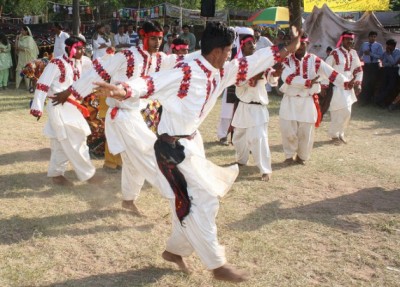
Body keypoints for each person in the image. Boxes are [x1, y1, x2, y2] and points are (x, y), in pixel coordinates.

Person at [90, 22, 302, 282]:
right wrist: (123, 90)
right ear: (216, 52)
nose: (230, 56)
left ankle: (175, 250)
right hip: (172, 150)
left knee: (189, 202)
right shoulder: (186, 72)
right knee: (204, 199)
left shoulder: (221, 71)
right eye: (228, 51)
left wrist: (287, 48)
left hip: (193, 144)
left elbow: (253, 62)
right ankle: (217, 265)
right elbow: (150, 82)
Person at [55, 21, 199, 215]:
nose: (157, 42)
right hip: (121, 116)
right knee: (152, 154)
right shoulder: (125, 56)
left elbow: (186, 59)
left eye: (160, 38)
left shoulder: (161, 59)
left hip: (134, 116)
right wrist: (71, 92)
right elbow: (96, 73)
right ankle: (177, 197)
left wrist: (210, 52)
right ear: (143, 36)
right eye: (153, 38)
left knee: (133, 162)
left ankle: (129, 200)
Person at [30, 36, 103, 186]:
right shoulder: (56, 63)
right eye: (78, 48)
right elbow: (43, 84)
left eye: (83, 48)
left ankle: (56, 174)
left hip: (73, 105)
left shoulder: (84, 62)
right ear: (69, 48)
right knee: (76, 137)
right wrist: (37, 107)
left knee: (60, 141)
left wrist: (109, 55)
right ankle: (88, 174)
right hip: (58, 105)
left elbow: (97, 71)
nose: (81, 51)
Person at [280, 34, 354, 165]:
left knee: (306, 130)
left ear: (307, 44)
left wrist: (346, 83)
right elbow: (287, 78)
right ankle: (289, 156)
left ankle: (302, 157)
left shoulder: (315, 60)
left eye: (303, 43)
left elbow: (331, 73)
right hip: (290, 99)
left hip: (307, 100)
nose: (300, 46)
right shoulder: (287, 60)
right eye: (298, 43)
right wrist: (308, 81)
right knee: (288, 129)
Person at [231, 27, 281, 181]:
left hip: (258, 107)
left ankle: (265, 170)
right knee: (238, 137)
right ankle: (241, 160)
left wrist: (276, 74)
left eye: (253, 43)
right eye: (249, 44)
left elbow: (271, 79)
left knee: (258, 138)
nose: (253, 46)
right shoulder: (238, 64)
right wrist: (256, 75)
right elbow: (240, 83)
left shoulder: (261, 63)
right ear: (243, 47)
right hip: (244, 106)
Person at [322, 31, 363, 145]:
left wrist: (358, 84)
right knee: (337, 111)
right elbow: (326, 69)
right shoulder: (335, 53)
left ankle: (341, 133)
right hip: (337, 87)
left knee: (347, 112)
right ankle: (334, 135)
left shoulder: (354, 53)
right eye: (347, 39)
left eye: (351, 39)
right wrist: (324, 86)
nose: (349, 41)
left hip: (349, 88)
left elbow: (358, 70)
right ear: (342, 40)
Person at [358, 31, 383, 105]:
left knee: (373, 83)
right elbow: (360, 54)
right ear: (368, 37)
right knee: (365, 82)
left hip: (375, 65)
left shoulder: (378, 45)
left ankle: (370, 100)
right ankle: (363, 100)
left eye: (374, 36)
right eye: (371, 36)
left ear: (376, 37)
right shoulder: (364, 44)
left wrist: (370, 54)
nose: (373, 38)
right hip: (367, 65)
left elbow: (381, 56)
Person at [375, 39, 400, 108]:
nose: (387, 47)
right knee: (383, 86)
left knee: (391, 87)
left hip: (394, 70)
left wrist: (389, 54)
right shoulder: (385, 52)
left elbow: (393, 63)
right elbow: (383, 61)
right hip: (386, 70)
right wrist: (388, 61)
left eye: (389, 46)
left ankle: (380, 100)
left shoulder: (398, 52)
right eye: (387, 45)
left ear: (393, 46)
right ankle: (380, 101)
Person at [15, 26, 39, 90]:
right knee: (19, 70)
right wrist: (17, 39)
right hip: (21, 57)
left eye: (23, 30)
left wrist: (20, 48)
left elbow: (29, 48)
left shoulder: (30, 39)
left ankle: (28, 87)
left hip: (28, 57)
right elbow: (16, 47)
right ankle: (16, 86)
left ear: (26, 31)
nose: (21, 32)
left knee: (27, 71)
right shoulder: (20, 38)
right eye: (21, 30)